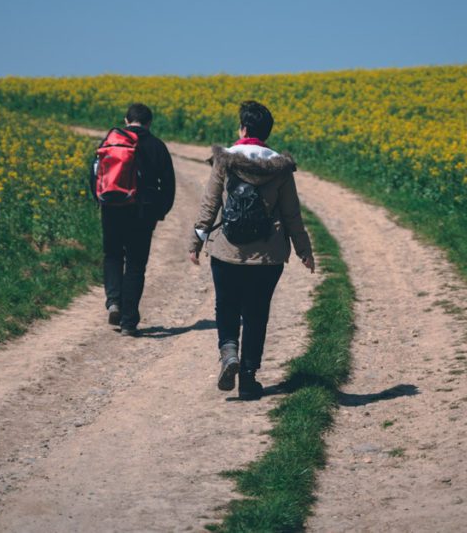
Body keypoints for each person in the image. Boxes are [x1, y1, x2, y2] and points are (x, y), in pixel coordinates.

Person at [188, 100, 315, 399]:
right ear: (266, 133)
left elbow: (209, 206)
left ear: (243, 129)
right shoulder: (281, 169)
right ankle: (248, 377)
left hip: (226, 250)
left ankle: (229, 351)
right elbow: (292, 214)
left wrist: (196, 242)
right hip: (267, 256)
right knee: (257, 313)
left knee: (227, 305)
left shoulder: (225, 161)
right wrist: (304, 250)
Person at [94, 103, 175, 336]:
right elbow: (168, 185)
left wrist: (100, 202)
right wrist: (160, 212)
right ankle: (128, 323)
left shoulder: (110, 142)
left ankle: (114, 302)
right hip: (143, 213)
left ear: (126, 120)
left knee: (112, 255)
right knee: (136, 266)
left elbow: (95, 175)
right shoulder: (156, 145)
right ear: (149, 123)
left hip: (111, 209)